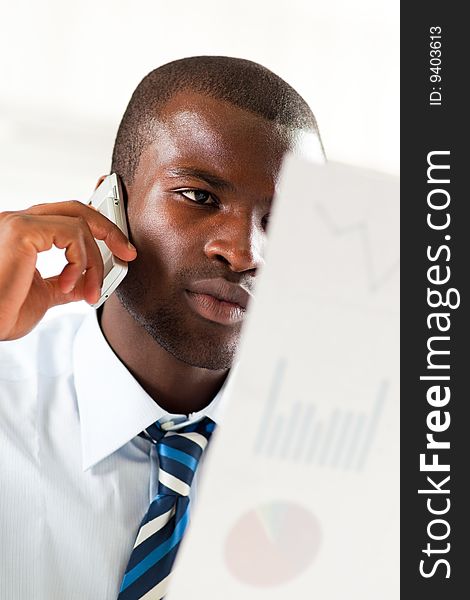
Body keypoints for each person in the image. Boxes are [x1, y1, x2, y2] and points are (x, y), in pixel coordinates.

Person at [0, 56, 324, 599]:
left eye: (281, 221)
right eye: (200, 197)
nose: (245, 253)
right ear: (110, 206)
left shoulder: (346, 467)